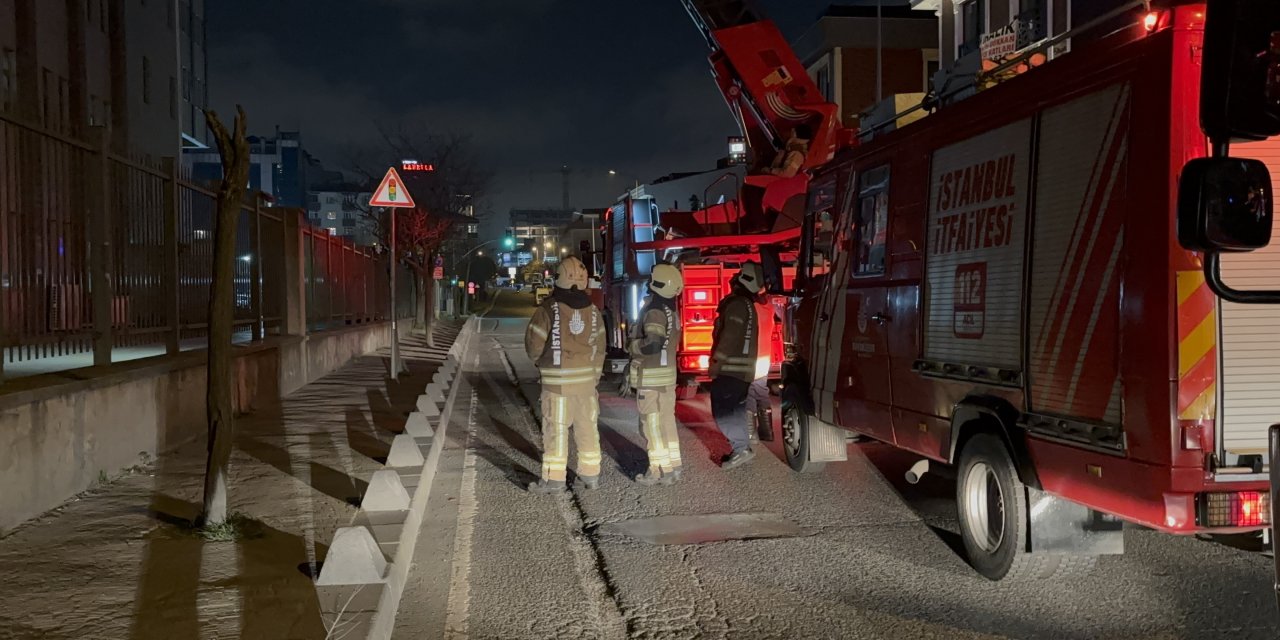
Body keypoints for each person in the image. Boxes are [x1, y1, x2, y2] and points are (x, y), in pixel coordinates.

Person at [524, 256, 607, 494]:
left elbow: (534, 346)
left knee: (556, 430)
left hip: (557, 384)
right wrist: (595, 376)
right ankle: (590, 476)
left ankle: (554, 480)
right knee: (587, 428)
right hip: (586, 385)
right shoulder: (594, 312)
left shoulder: (548, 309)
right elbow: (600, 347)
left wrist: (542, 363)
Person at [628, 263, 685, 486]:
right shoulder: (671, 311)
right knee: (666, 421)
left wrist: (632, 347)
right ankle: (673, 466)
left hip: (651, 377)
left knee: (651, 424)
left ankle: (658, 469)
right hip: (667, 377)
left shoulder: (654, 311)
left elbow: (652, 344)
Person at [708, 261, 769, 469]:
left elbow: (729, 336)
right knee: (735, 409)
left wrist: (717, 362)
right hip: (742, 370)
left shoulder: (736, 304)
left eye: (739, 275)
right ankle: (742, 446)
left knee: (724, 411)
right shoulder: (747, 304)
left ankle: (741, 448)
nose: (733, 278)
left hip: (731, 369)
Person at [746, 291, 778, 444]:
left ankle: (751, 435)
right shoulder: (769, 310)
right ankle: (767, 431)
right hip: (765, 357)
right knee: (761, 391)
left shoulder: (752, 309)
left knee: (749, 392)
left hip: (751, 357)